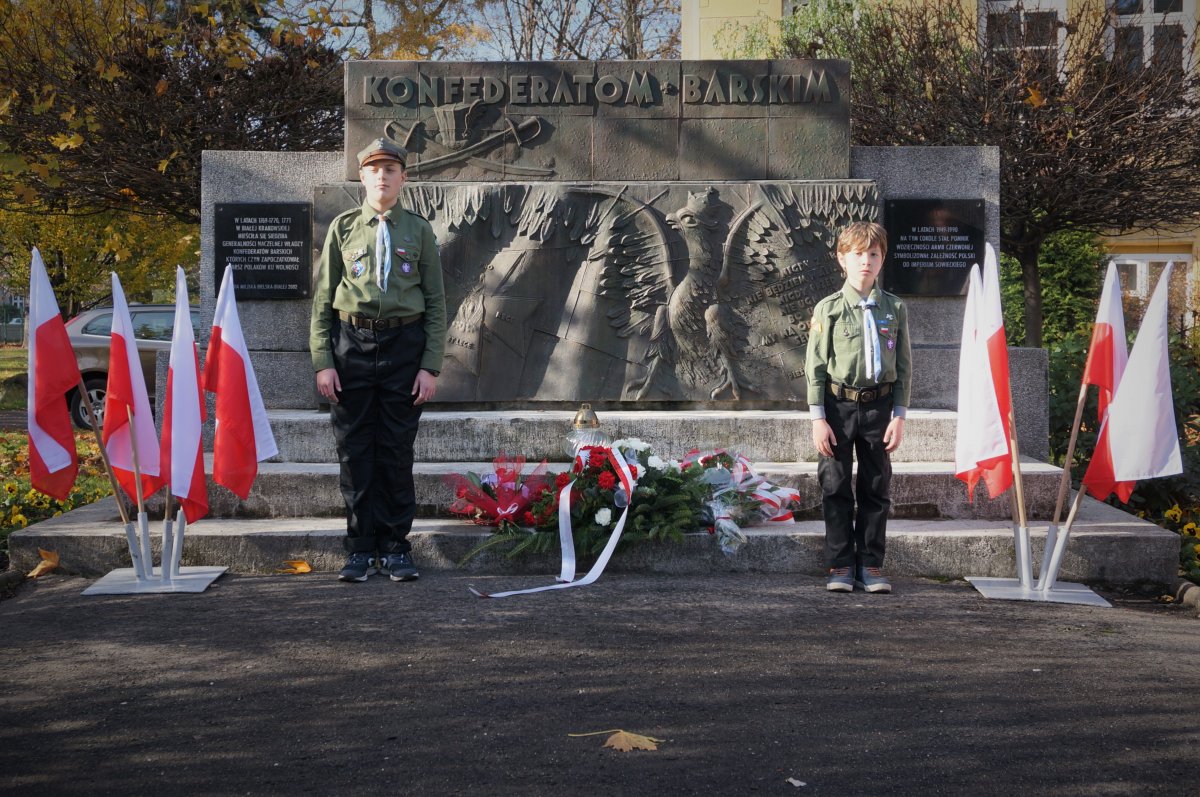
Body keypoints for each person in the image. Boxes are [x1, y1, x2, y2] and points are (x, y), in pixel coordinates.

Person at [310, 137, 447, 583]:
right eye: (375, 169)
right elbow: (323, 301)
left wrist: (430, 366)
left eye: (391, 169)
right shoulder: (344, 228)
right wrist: (323, 361)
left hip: (404, 348)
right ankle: (359, 548)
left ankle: (395, 547)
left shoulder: (419, 231)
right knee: (354, 452)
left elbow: (436, 302)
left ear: (403, 178)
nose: (383, 176)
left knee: (394, 452)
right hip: (351, 344)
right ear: (363, 177)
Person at [804, 221, 911, 594]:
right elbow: (814, 367)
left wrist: (899, 415)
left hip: (878, 407)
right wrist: (818, 419)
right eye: (857, 254)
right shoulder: (829, 309)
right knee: (834, 486)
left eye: (873, 254)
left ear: (882, 260)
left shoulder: (894, 308)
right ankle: (840, 564)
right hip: (837, 406)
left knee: (876, 486)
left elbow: (905, 367)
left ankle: (870, 563)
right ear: (841, 259)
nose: (865, 261)